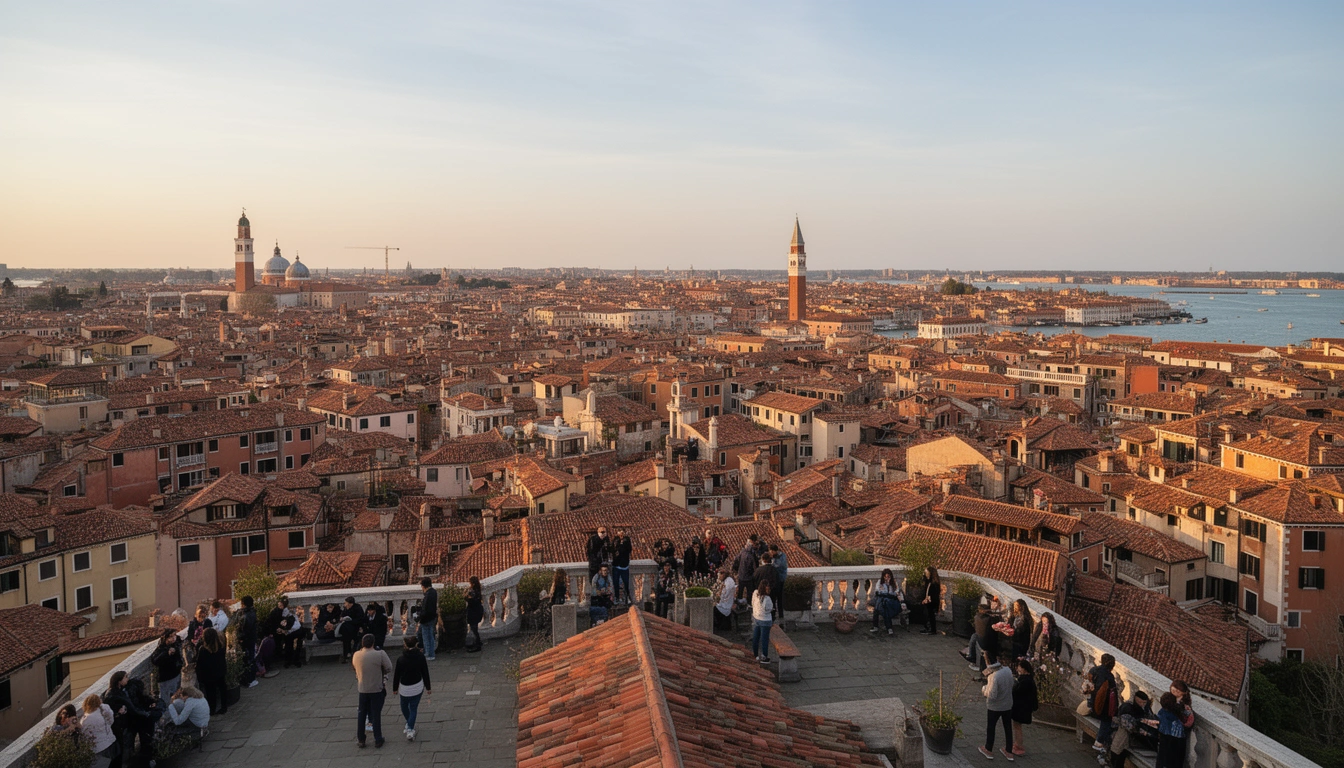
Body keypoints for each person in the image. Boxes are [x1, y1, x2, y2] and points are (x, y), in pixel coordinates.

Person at [105, 669, 157, 765]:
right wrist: (146, 714)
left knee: (132, 745)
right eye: (125, 678)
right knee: (126, 748)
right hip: (123, 725)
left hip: (129, 721)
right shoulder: (113, 694)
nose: (127, 679)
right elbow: (130, 707)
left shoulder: (121, 690)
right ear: (119, 681)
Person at [353, 634, 393, 748]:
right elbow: (389, 667)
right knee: (376, 714)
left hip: (362, 688)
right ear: (373, 643)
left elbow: (354, 667)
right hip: (376, 688)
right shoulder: (380, 654)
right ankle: (378, 739)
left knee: (361, 714)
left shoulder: (356, 655)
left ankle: (361, 739)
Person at [393, 636, 432, 742]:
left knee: (404, 706)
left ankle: (409, 725)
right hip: (417, 686)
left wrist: (394, 688)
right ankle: (410, 725)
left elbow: (397, 675)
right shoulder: (420, 657)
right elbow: (425, 672)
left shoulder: (401, 659)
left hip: (404, 687)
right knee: (413, 708)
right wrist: (428, 687)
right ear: (416, 644)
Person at [980, 652, 1016, 761]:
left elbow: (992, 695)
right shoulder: (1007, 670)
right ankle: (1009, 751)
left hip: (995, 707)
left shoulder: (994, 677)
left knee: (991, 727)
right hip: (1008, 704)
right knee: (1007, 727)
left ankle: (988, 749)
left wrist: (984, 689)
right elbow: (1012, 684)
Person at [1085, 653, 1120, 752]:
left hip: (1092, 703)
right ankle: (1099, 743)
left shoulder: (1093, 670)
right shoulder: (1109, 677)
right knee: (1107, 720)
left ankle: (1102, 742)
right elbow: (1112, 694)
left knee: (1105, 720)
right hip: (1102, 705)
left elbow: (1088, 685)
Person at [80, 694, 118, 768]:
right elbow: (111, 721)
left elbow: (85, 735)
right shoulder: (104, 709)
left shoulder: (85, 719)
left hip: (98, 748)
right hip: (111, 742)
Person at [196, 627, 227, 716]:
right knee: (222, 689)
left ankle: (212, 710)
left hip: (209, 675)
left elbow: (200, 664)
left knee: (211, 693)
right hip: (220, 672)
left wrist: (200, 676)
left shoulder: (203, 650)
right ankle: (224, 707)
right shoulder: (221, 646)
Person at [1153, 693, 1190, 768]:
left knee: (1162, 760)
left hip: (1164, 741)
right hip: (1175, 743)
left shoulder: (1161, 712)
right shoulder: (1176, 719)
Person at [1010, 659, 1038, 756]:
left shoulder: (1025, 681)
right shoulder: (1029, 680)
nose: (1018, 669)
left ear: (1024, 669)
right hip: (1023, 707)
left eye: (1019, 667)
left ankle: (1018, 745)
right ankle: (1018, 744)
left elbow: (1017, 692)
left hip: (1021, 708)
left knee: (1017, 727)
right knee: (1017, 727)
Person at [150, 628, 185, 705]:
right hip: (166, 678)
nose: (173, 638)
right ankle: (168, 716)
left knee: (176, 696)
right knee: (166, 700)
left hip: (176, 674)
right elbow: (155, 660)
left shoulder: (177, 643)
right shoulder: (162, 648)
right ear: (166, 638)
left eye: (174, 635)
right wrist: (167, 653)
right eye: (171, 636)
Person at [870, 568, 903, 635]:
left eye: (888, 577)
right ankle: (889, 628)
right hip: (882, 599)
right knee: (882, 605)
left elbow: (896, 592)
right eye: (885, 577)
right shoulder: (880, 582)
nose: (886, 578)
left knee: (882, 606)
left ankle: (876, 626)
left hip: (891, 601)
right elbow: (878, 591)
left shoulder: (894, 583)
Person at [750, 580, 774, 665]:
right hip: (765, 620)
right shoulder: (767, 599)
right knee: (764, 639)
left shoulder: (755, 593)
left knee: (756, 637)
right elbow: (768, 609)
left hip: (756, 618)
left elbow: (752, 603)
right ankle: (764, 656)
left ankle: (755, 654)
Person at [238, 595, 259, 687]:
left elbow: (245, 629)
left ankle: (249, 679)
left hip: (247, 639)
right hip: (251, 638)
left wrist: (241, 637)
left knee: (248, 659)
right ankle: (250, 679)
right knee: (250, 657)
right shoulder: (251, 612)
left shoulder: (247, 615)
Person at [752, 553, 779, 620]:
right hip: (772, 593)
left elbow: (754, 580)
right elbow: (777, 582)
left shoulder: (758, 570)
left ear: (763, 560)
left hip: (760, 594)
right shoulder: (774, 570)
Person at [418, 577, 439, 661]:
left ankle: (429, 654)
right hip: (432, 617)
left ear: (423, 586)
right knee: (429, 636)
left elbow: (426, 609)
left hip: (426, 619)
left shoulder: (427, 595)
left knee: (426, 637)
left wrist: (420, 617)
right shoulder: (433, 592)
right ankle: (429, 653)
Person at [610, 529, 633, 605]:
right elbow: (613, 549)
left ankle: (627, 597)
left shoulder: (627, 540)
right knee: (616, 583)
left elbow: (628, 550)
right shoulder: (615, 540)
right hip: (616, 564)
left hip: (624, 565)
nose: (621, 535)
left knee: (626, 583)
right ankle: (616, 597)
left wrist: (622, 544)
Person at [920, 566, 942, 635]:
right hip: (929, 601)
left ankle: (931, 629)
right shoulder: (929, 582)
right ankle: (928, 628)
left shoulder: (934, 583)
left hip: (932, 602)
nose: (925, 574)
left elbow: (934, 594)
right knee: (927, 614)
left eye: (926, 573)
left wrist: (927, 600)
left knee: (930, 615)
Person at [465, 575, 485, 651]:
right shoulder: (478, 589)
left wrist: (466, 596)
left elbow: (469, 600)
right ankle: (478, 642)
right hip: (478, 610)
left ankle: (477, 645)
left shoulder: (472, 591)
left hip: (473, 611)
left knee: (474, 628)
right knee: (475, 628)